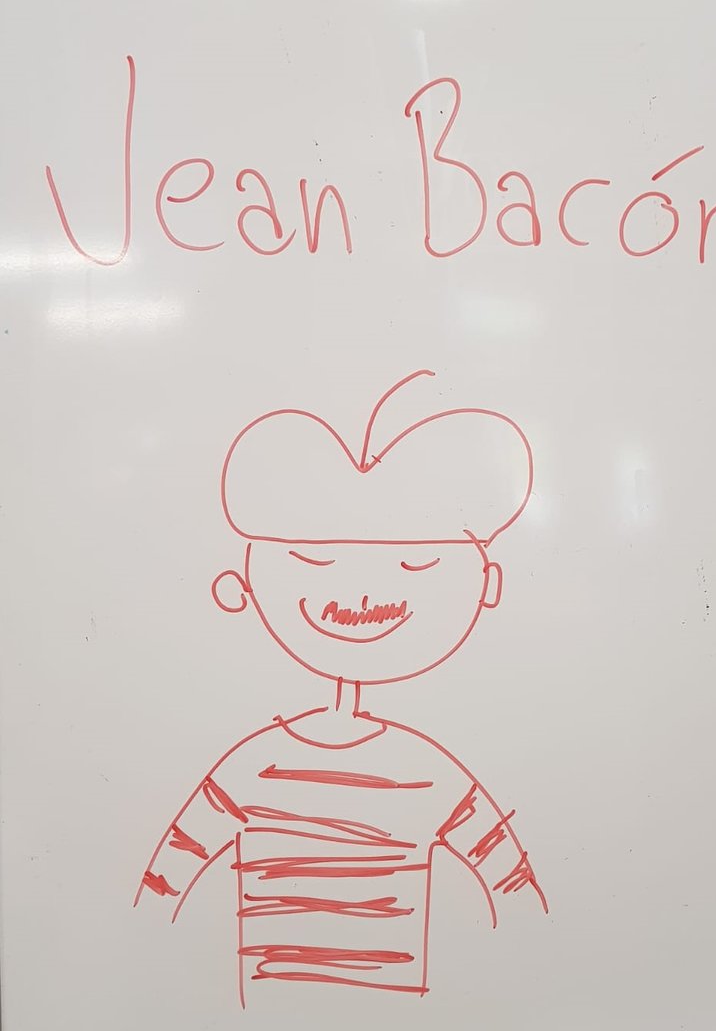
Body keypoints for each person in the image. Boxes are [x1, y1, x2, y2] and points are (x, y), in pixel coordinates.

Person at [135, 370, 546, 1004]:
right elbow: (165, 882)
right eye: (314, 561)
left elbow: (509, 882)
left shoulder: (425, 772)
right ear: (241, 587)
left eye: (417, 564)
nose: (361, 593)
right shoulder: (255, 767)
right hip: (265, 1007)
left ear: (485, 585)